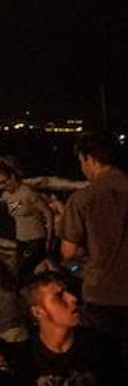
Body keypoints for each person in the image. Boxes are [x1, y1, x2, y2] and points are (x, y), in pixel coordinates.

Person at [60, 133, 128, 360]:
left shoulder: (83, 198)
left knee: (104, 362)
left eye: (81, 162)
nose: (82, 169)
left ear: (90, 159)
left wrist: (85, 255)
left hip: (102, 293)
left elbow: (68, 251)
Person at [0, 156, 53, 277]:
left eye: (4, 182)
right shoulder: (7, 195)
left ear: (13, 177)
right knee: (20, 272)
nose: (1, 186)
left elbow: (47, 212)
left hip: (35, 240)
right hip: (21, 240)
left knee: (23, 272)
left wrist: (49, 239)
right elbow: (17, 213)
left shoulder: (28, 193)